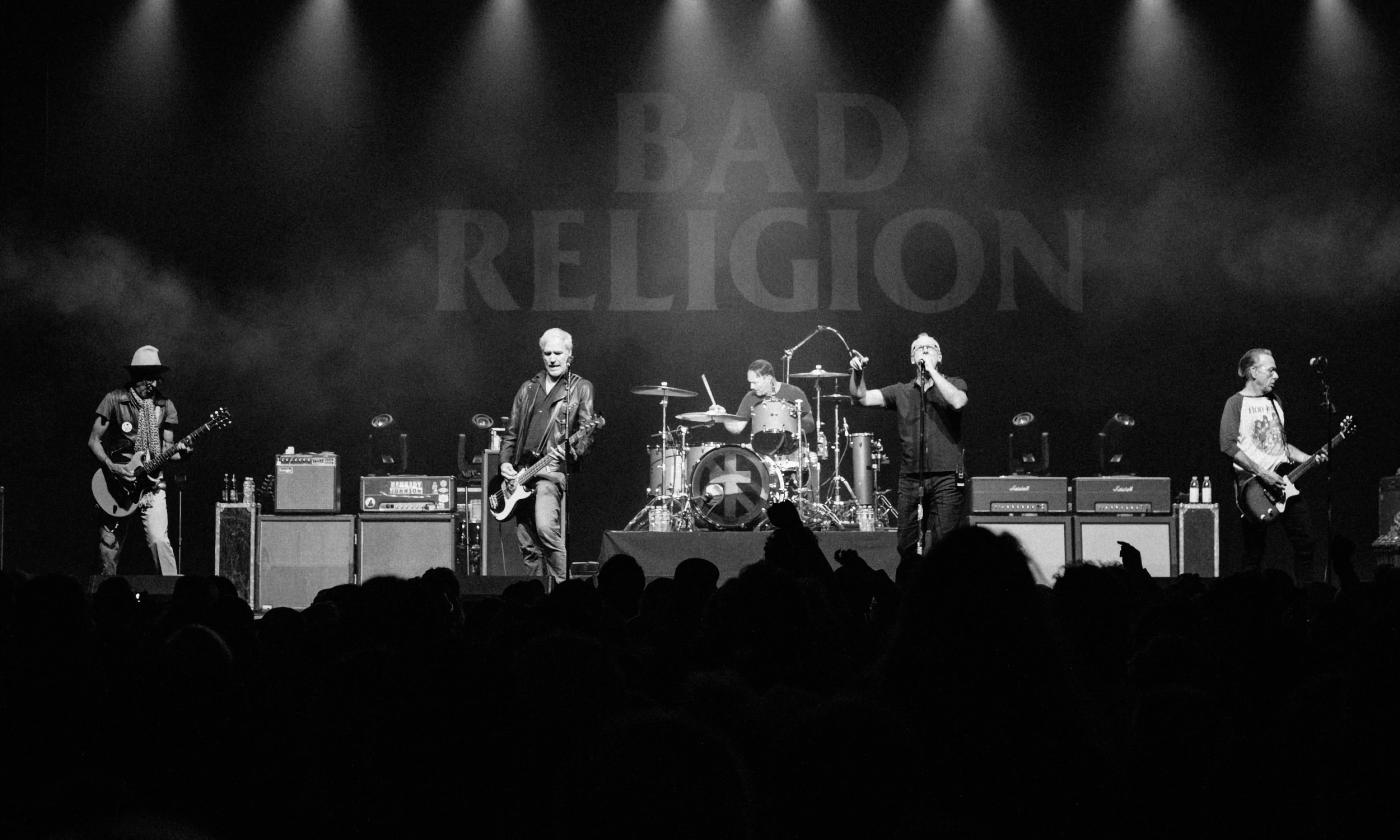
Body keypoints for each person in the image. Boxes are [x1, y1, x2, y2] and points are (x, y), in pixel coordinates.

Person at [850, 333, 968, 559]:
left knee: (945, 544)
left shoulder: (954, 383)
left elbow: (958, 401)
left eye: (930, 347)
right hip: (912, 477)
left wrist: (932, 371)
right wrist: (858, 373)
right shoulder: (901, 391)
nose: (924, 351)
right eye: (919, 349)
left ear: (939, 355)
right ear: (912, 358)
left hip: (947, 476)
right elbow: (861, 398)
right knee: (907, 544)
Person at [499, 328, 597, 586]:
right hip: (522, 474)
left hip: (551, 472)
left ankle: (562, 591)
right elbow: (511, 432)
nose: (553, 358)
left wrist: (573, 449)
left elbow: (587, 432)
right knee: (527, 543)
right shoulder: (528, 388)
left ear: (569, 355)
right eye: (547, 353)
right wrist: (506, 464)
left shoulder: (580, 388)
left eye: (558, 353)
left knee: (545, 530)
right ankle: (537, 594)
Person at [1219, 348, 1321, 580]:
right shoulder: (1235, 403)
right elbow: (1227, 446)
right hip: (1254, 487)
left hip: (1284, 482)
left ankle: (1305, 601)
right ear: (1253, 372)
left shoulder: (1275, 401)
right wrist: (1263, 473)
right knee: (1253, 554)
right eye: (1271, 370)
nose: (1276, 375)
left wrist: (1308, 458)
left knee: (1306, 543)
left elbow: (1281, 445)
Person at [89, 345, 188, 576]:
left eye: (155, 378)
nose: (151, 384)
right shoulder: (114, 400)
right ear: (135, 377)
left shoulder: (165, 406)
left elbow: (167, 450)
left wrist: (183, 452)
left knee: (159, 541)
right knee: (109, 544)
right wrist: (111, 466)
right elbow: (94, 440)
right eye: (146, 378)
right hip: (117, 483)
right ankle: (107, 596)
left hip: (151, 484)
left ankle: (173, 595)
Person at [735, 359, 815, 455]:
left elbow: (810, 424)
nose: (751, 386)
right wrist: (722, 416)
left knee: (810, 457)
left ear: (768, 378)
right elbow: (736, 427)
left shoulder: (794, 392)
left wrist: (791, 424)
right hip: (761, 450)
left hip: (790, 448)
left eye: (755, 383)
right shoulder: (750, 397)